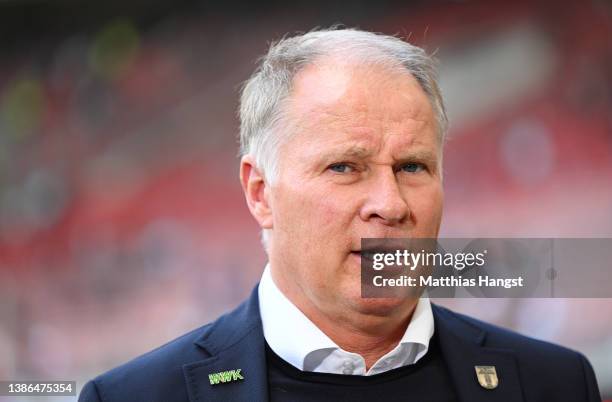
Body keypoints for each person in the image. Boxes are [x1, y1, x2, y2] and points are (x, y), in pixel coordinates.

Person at [79, 28, 601, 402]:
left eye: (413, 166)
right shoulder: (134, 395)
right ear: (260, 193)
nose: (391, 204)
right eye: (345, 167)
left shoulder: (553, 383)